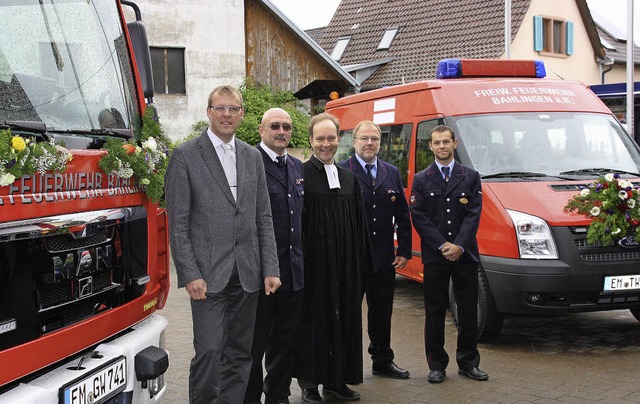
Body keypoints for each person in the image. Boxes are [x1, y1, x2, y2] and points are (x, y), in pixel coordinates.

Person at [164, 85, 281, 404]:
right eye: (220, 108)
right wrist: (189, 273)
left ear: (242, 114)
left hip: (247, 274)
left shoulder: (252, 156)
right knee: (210, 351)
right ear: (208, 111)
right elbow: (178, 222)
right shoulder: (186, 155)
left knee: (241, 354)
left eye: (233, 108)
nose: (227, 114)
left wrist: (270, 267)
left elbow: (263, 217)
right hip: (207, 276)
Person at [294, 113, 374, 403]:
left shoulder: (349, 178)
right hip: (315, 268)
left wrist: (362, 266)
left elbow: (359, 225)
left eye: (331, 138)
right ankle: (310, 384)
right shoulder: (300, 176)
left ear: (339, 140)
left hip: (345, 267)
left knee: (344, 322)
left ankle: (337, 382)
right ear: (310, 140)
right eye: (320, 138)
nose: (325, 144)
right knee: (315, 324)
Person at [409, 124, 487, 384]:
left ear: (454, 144)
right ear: (430, 146)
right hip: (435, 257)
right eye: (436, 142)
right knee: (434, 311)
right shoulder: (421, 179)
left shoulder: (471, 176)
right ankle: (437, 365)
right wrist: (443, 245)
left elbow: (474, 214)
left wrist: (459, 246)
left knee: (467, 311)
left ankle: (468, 362)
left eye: (446, 142)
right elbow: (419, 217)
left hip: (464, 255)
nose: (441, 146)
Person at [337, 120, 412, 380]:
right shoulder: (341, 170)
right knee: (349, 315)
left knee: (382, 313)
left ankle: (382, 360)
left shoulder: (391, 172)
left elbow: (402, 214)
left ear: (380, 142)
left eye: (374, 139)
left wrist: (403, 249)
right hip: (352, 259)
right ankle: (346, 365)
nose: (370, 143)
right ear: (354, 141)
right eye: (364, 138)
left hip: (382, 259)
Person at [245, 108, 304, 404]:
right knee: (254, 345)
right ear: (261, 130)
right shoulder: (249, 163)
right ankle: (251, 397)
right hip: (259, 274)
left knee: (285, 340)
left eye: (287, 127)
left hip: (292, 272)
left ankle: (278, 393)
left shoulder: (296, 166)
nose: (282, 132)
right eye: (275, 126)